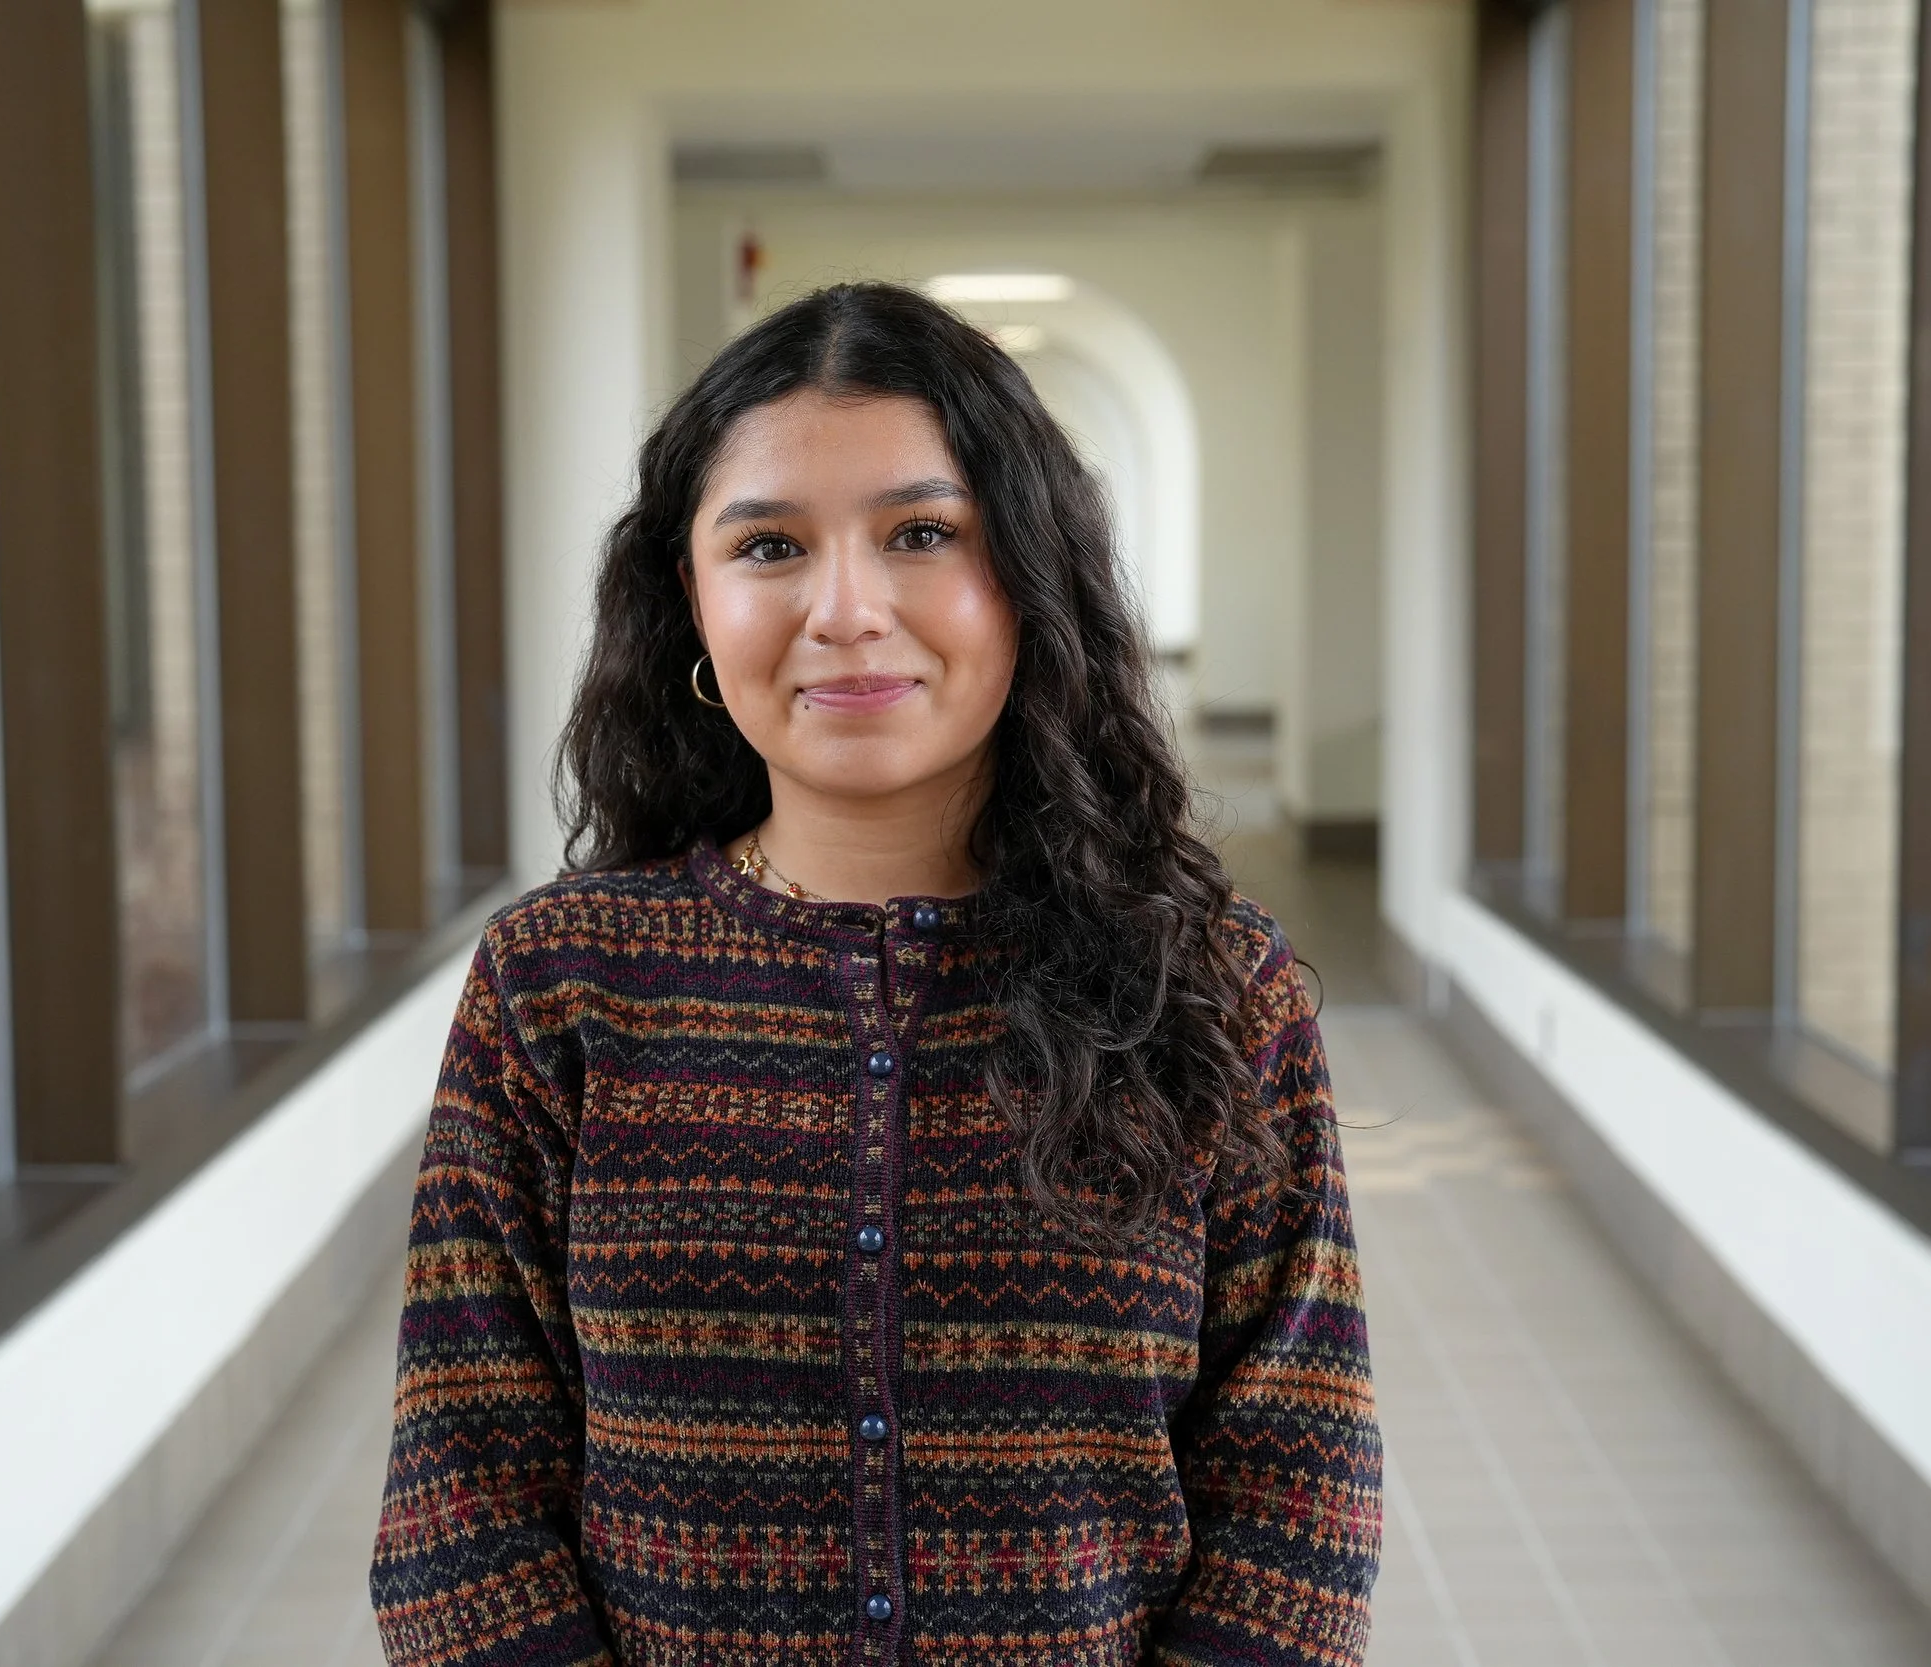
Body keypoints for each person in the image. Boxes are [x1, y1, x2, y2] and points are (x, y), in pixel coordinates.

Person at [368, 282, 1379, 1667]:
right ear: (695, 602)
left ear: (1026, 572)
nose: (845, 611)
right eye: (771, 545)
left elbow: (1296, 1496)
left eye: (920, 535)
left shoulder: (1206, 985)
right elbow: (461, 1502)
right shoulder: (563, 991)